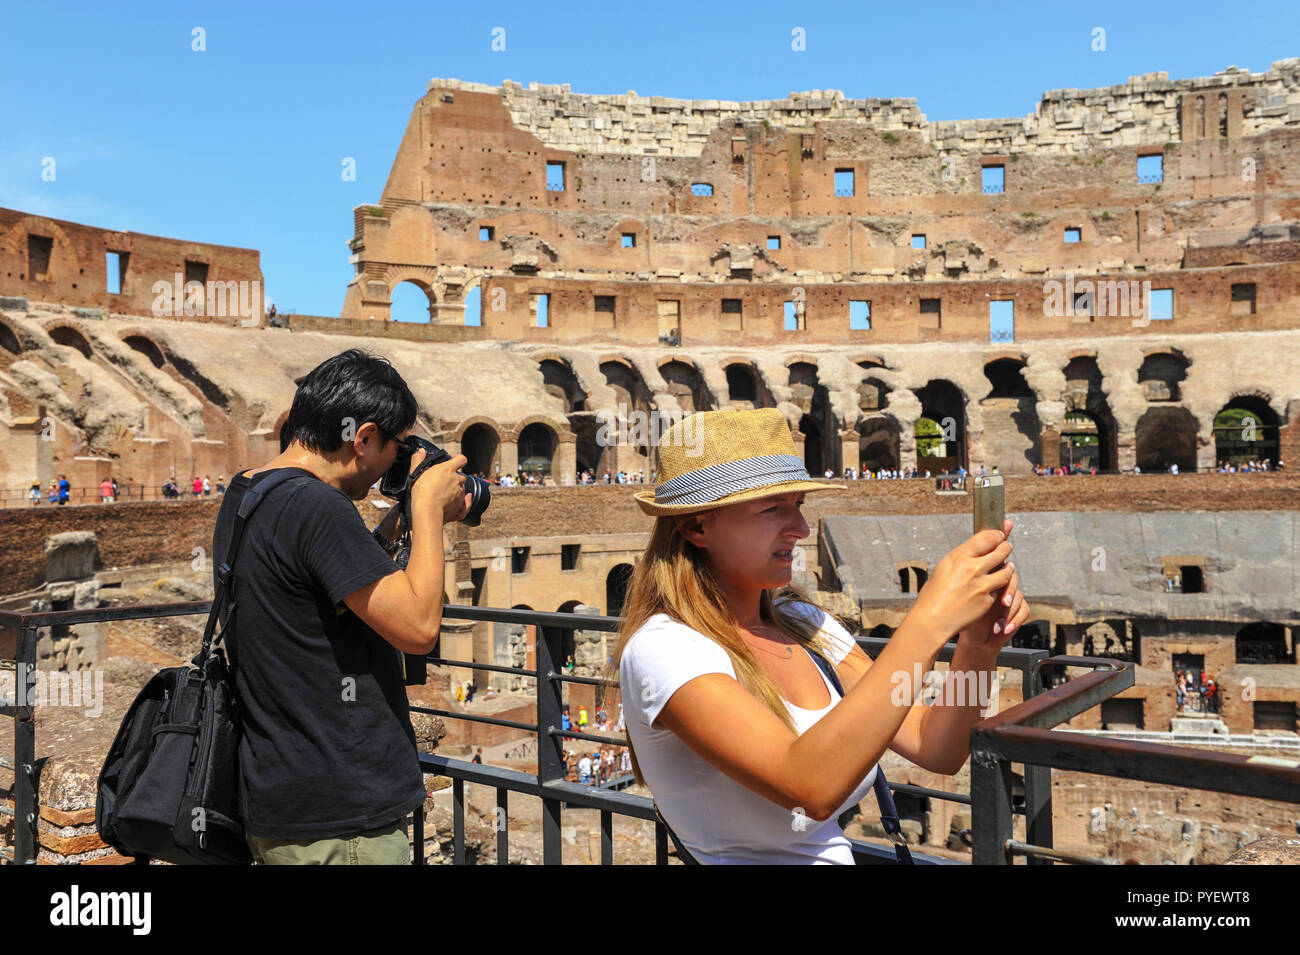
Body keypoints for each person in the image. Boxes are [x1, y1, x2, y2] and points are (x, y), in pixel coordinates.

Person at [613, 407, 1024, 864]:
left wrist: (976, 648)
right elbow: (810, 788)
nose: (801, 529)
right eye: (772, 509)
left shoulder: (805, 622)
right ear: (696, 526)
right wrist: (928, 619)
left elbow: (937, 746)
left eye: (799, 506)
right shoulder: (664, 649)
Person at [210, 348, 472, 865]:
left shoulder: (250, 491)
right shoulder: (318, 505)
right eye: (396, 446)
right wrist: (427, 508)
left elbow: (324, 582)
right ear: (364, 436)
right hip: (342, 817)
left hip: (282, 797)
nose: (393, 463)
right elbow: (419, 628)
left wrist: (396, 526)